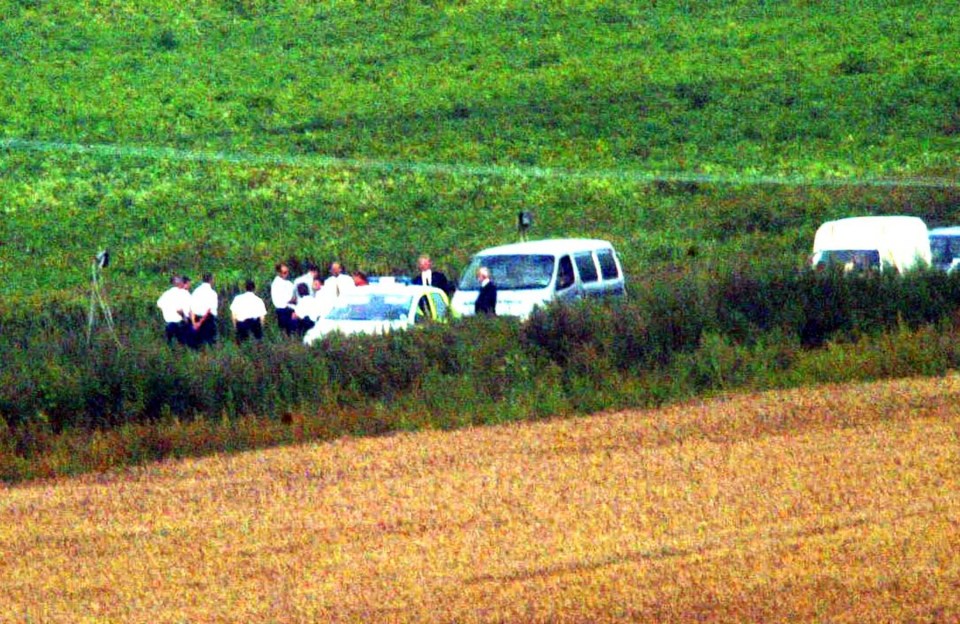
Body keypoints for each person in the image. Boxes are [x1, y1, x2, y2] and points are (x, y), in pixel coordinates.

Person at [156, 275, 191, 345]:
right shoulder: (184, 293)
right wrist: (185, 317)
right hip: (181, 323)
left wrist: (167, 310)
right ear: (178, 283)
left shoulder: (166, 293)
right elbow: (180, 310)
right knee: (184, 344)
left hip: (169, 324)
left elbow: (159, 304)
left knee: (169, 344)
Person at [190, 273, 219, 348]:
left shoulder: (195, 292)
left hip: (196, 318)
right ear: (211, 280)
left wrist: (194, 323)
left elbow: (192, 308)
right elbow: (209, 310)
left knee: (198, 343)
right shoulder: (212, 293)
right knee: (210, 342)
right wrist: (200, 322)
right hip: (208, 319)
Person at [270, 262, 296, 335]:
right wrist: (293, 299)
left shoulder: (288, 283)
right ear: (279, 273)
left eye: (287, 272)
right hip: (284, 311)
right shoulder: (277, 284)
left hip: (290, 308)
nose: (287, 274)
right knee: (288, 332)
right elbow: (285, 299)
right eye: (284, 272)